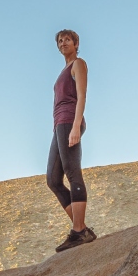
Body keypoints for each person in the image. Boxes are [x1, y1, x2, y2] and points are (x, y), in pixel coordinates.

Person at [48, 29, 95, 250]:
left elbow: (82, 95)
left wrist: (76, 125)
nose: (63, 43)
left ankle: (78, 232)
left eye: (67, 39)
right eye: (60, 40)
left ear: (76, 43)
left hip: (70, 121)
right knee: (53, 180)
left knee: (72, 171)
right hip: (59, 125)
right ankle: (81, 228)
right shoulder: (62, 71)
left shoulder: (78, 64)